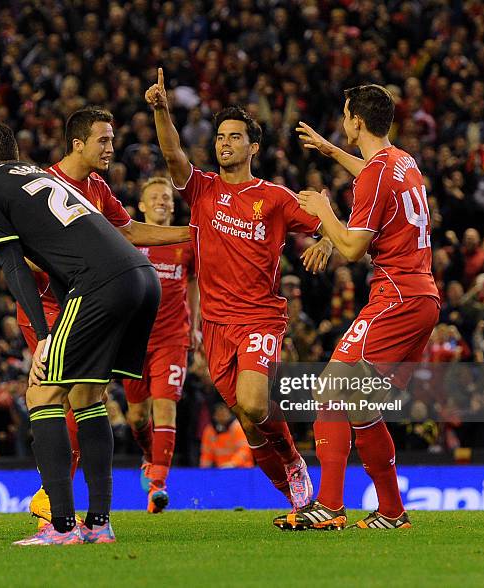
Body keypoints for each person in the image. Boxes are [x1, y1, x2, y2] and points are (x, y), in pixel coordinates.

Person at [0, 121, 162, 545]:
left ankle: (62, 526)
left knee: (42, 394)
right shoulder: (35, 174)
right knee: (87, 397)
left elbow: (14, 266)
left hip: (100, 283)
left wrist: (44, 333)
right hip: (143, 279)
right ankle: (99, 524)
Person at [145, 68, 333, 510]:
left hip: (260, 317)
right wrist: (161, 111)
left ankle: (293, 461)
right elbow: (173, 154)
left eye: (234, 137)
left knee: (253, 402)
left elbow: (329, 222)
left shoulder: (275, 198)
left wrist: (326, 239)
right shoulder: (203, 189)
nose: (224, 143)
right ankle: (296, 500)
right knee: (249, 425)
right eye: (220, 136)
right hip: (214, 326)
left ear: (254, 147)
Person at [273, 84, 440, 531]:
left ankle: (328, 504)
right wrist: (331, 151)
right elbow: (371, 173)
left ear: (357, 122)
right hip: (421, 296)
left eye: (346, 116)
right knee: (360, 402)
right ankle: (391, 512)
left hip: (397, 297)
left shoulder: (375, 174)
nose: (343, 123)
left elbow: (351, 248)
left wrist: (325, 212)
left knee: (329, 388)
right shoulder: (402, 161)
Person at [23, 107, 190, 527]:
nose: (112, 148)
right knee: (55, 398)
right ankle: (66, 509)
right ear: (77, 143)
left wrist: (199, 231)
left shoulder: (97, 187)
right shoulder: (43, 186)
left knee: (85, 400)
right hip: (50, 310)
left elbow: (130, 231)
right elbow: (25, 257)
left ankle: (78, 515)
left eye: (112, 139)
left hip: (91, 306)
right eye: (103, 140)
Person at [122, 176, 199, 513]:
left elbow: (194, 284)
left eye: (167, 197)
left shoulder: (186, 242)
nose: (162, 201)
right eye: (154, 196)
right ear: (141, 205)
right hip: (134, 339)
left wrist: (194, 325)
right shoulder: (128, 239)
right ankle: (148, 457)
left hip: (172, 336)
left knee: (166, 405)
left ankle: (158, 485)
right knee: (137, 417)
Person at [200, 403, 254, 469]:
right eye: (219, 414)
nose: (222, 416)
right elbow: (206, 454)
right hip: (221, 469)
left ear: (229, 414)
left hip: (242, 469)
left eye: (224, 413)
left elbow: (244, 450)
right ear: (214, 416)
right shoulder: (209, 430)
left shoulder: (237, 427)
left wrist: (233, 463)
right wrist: (203, 472)